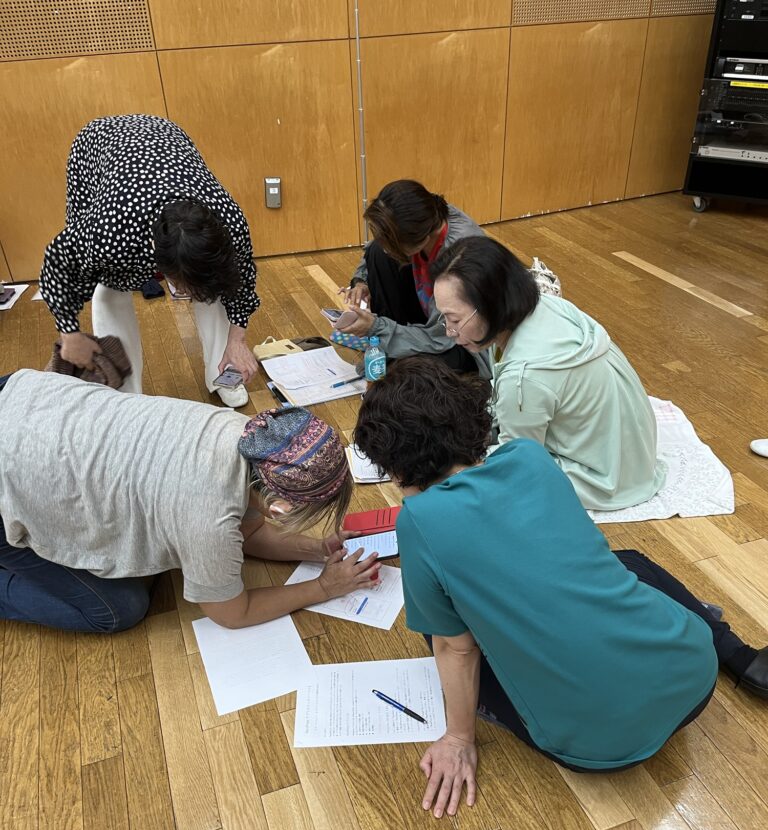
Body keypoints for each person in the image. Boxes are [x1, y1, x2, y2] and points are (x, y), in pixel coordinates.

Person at [354, 358, 768, 818]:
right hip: (695, 674)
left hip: (600, 748)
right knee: (627, 561)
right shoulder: (528, 457)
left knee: (440, 634)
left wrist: (458, 738)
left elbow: (457, 648)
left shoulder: (418, 520)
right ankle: (734, 653)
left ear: (394, 466)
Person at [0, 370, 379, 634]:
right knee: (118, 609)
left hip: (24, 396)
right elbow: (233, 613)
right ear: (280, 505)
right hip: (10, 471)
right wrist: (323, 589)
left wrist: (316, 549)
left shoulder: (248, 435)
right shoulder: (207, 515)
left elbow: (249, 532)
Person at [40, 114, 261, 408]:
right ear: (156, 259)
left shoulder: (230, 223)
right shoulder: (110, 230)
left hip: (167, 136)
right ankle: (126, 397)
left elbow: (242, 283)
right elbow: (58, 261)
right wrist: (70, 334)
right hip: (98, 145)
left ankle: (222, 375)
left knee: (213, 289)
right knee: (109, 289)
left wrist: (237, 341)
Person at [430, 235, 666, 511]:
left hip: (602, 481)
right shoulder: (547, 305)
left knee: (466, 477)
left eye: (455, 319)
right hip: (637, 461)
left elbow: (518, 466)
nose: (449, 331)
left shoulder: (523, 377)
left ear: (491, 305)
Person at [338, 179, 491, 376]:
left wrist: (377, 328)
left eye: (391, 244)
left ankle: (394, 351)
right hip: (432, 318)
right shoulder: (425, 220)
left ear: (421, 238)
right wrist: (361, 282)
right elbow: (377, 248)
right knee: (377, 253)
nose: (386, 248)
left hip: (459, 341)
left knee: (413, 371)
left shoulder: (459, 257)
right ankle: (393, 349)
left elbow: (441, 338)